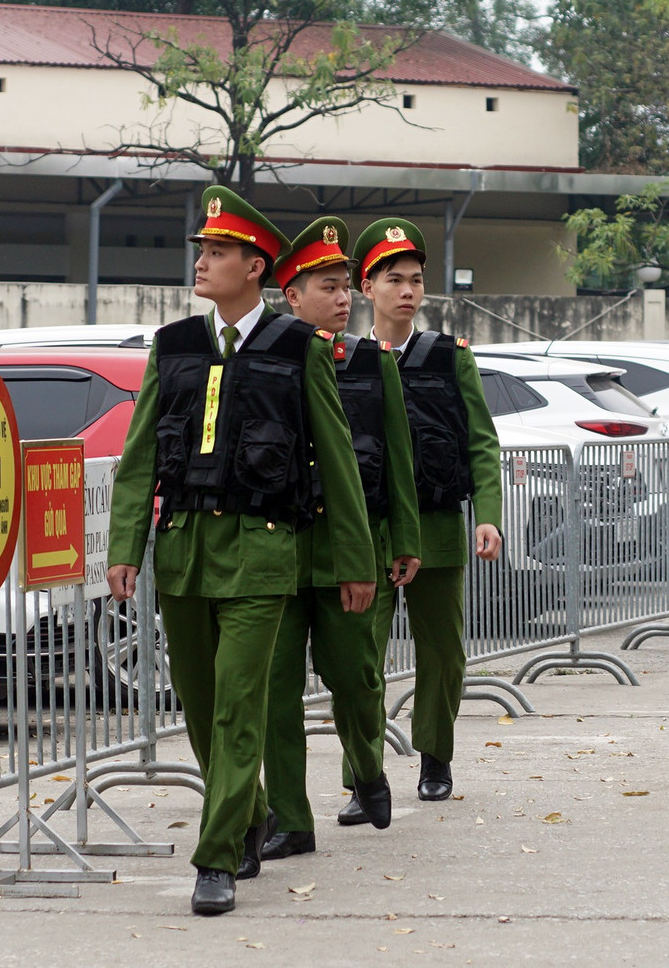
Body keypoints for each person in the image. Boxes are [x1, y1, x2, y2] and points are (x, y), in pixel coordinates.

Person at [106, 186, 375, 916]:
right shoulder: (174, 347)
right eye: (201, 250)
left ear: (255, 267)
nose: (201, 261)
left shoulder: (298, 349)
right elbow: (137, 461)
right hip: (185, 550)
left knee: (237, 710)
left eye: (216, 252)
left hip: (262, 554)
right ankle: (248, 811)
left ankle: (216, 856)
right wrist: (126, 543)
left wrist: (355, 561)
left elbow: (337, 463)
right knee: (197, 705)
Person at [259, 217, 423, 861]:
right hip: (280, 548)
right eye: (328, 287)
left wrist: (402, 539)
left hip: (349, 548)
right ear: (291, 295)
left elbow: (398, 457)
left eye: (346, 286)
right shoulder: (268, 358)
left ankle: (367, 769)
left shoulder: (368, 362)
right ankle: (291, 819)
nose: (343, 297)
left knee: (356, 675)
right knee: (274, 689)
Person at [350, 217, 503, 804]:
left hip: (436, 525)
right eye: (394, 279)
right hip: (370, 531)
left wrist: (486, 513)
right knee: (360, 656)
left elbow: (480, 442)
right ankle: (363, 778)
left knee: (442, 652)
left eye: (416, 279)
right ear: (368, 287)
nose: (407, 290)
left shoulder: (448, 357)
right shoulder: (345, 356)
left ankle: (435, 759)